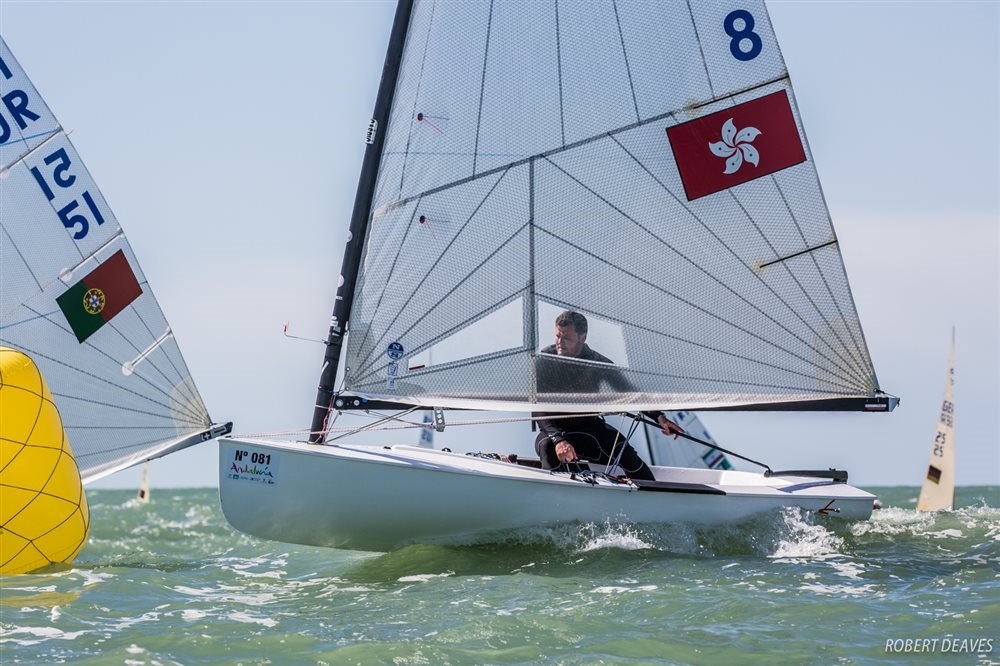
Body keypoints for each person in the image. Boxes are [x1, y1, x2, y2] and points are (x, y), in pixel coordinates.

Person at [533, 311, 684, 481]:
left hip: (590, 427)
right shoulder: (544, 362)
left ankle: (653, 492)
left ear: (582, 338)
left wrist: (660, 418)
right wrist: (558, 439)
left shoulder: (597, 363)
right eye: (557, 336)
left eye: (566, 338)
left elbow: (629, 393)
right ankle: (554, 492)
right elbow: (538, 409)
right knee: (547, 447)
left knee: (624, 450)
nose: (559, 343)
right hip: (553, 430)